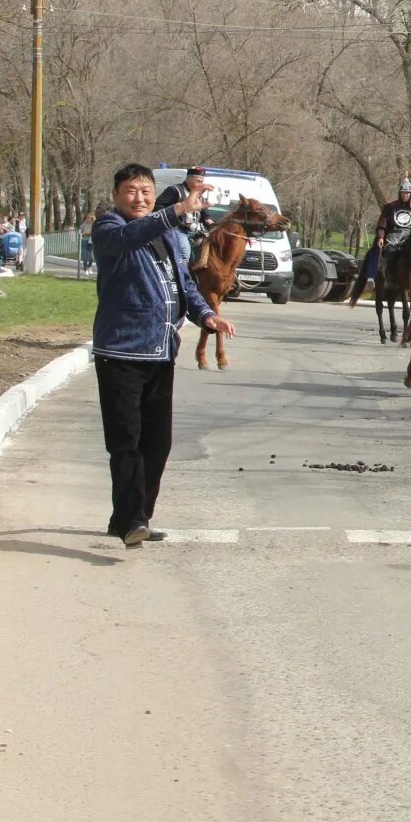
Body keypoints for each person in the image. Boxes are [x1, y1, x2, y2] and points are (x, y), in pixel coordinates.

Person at [90, 163, 234, 547]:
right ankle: (133, 520)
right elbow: (132, 235)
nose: (140, 198)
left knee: (158, 443)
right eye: (132, 191)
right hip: (120, 353)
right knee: (126, 442)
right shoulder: (109, 229)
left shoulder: (167, 236)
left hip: (160, 354)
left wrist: (207, 316)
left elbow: (184, 283)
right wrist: (178, 210)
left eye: (146, 191)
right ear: (117, 195)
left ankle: (132, 517)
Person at [154, 165, 214, 268]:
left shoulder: (199, 195)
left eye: (202, 181)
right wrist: (174, 215)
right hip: (177, 229)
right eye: (198, 181)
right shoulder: (175, 190)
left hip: (195, 231)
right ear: (188, 180)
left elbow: (203, 213)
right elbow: (158, 206)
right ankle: (181, 276)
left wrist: (210, 222)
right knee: (184, 253)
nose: (200, 184)